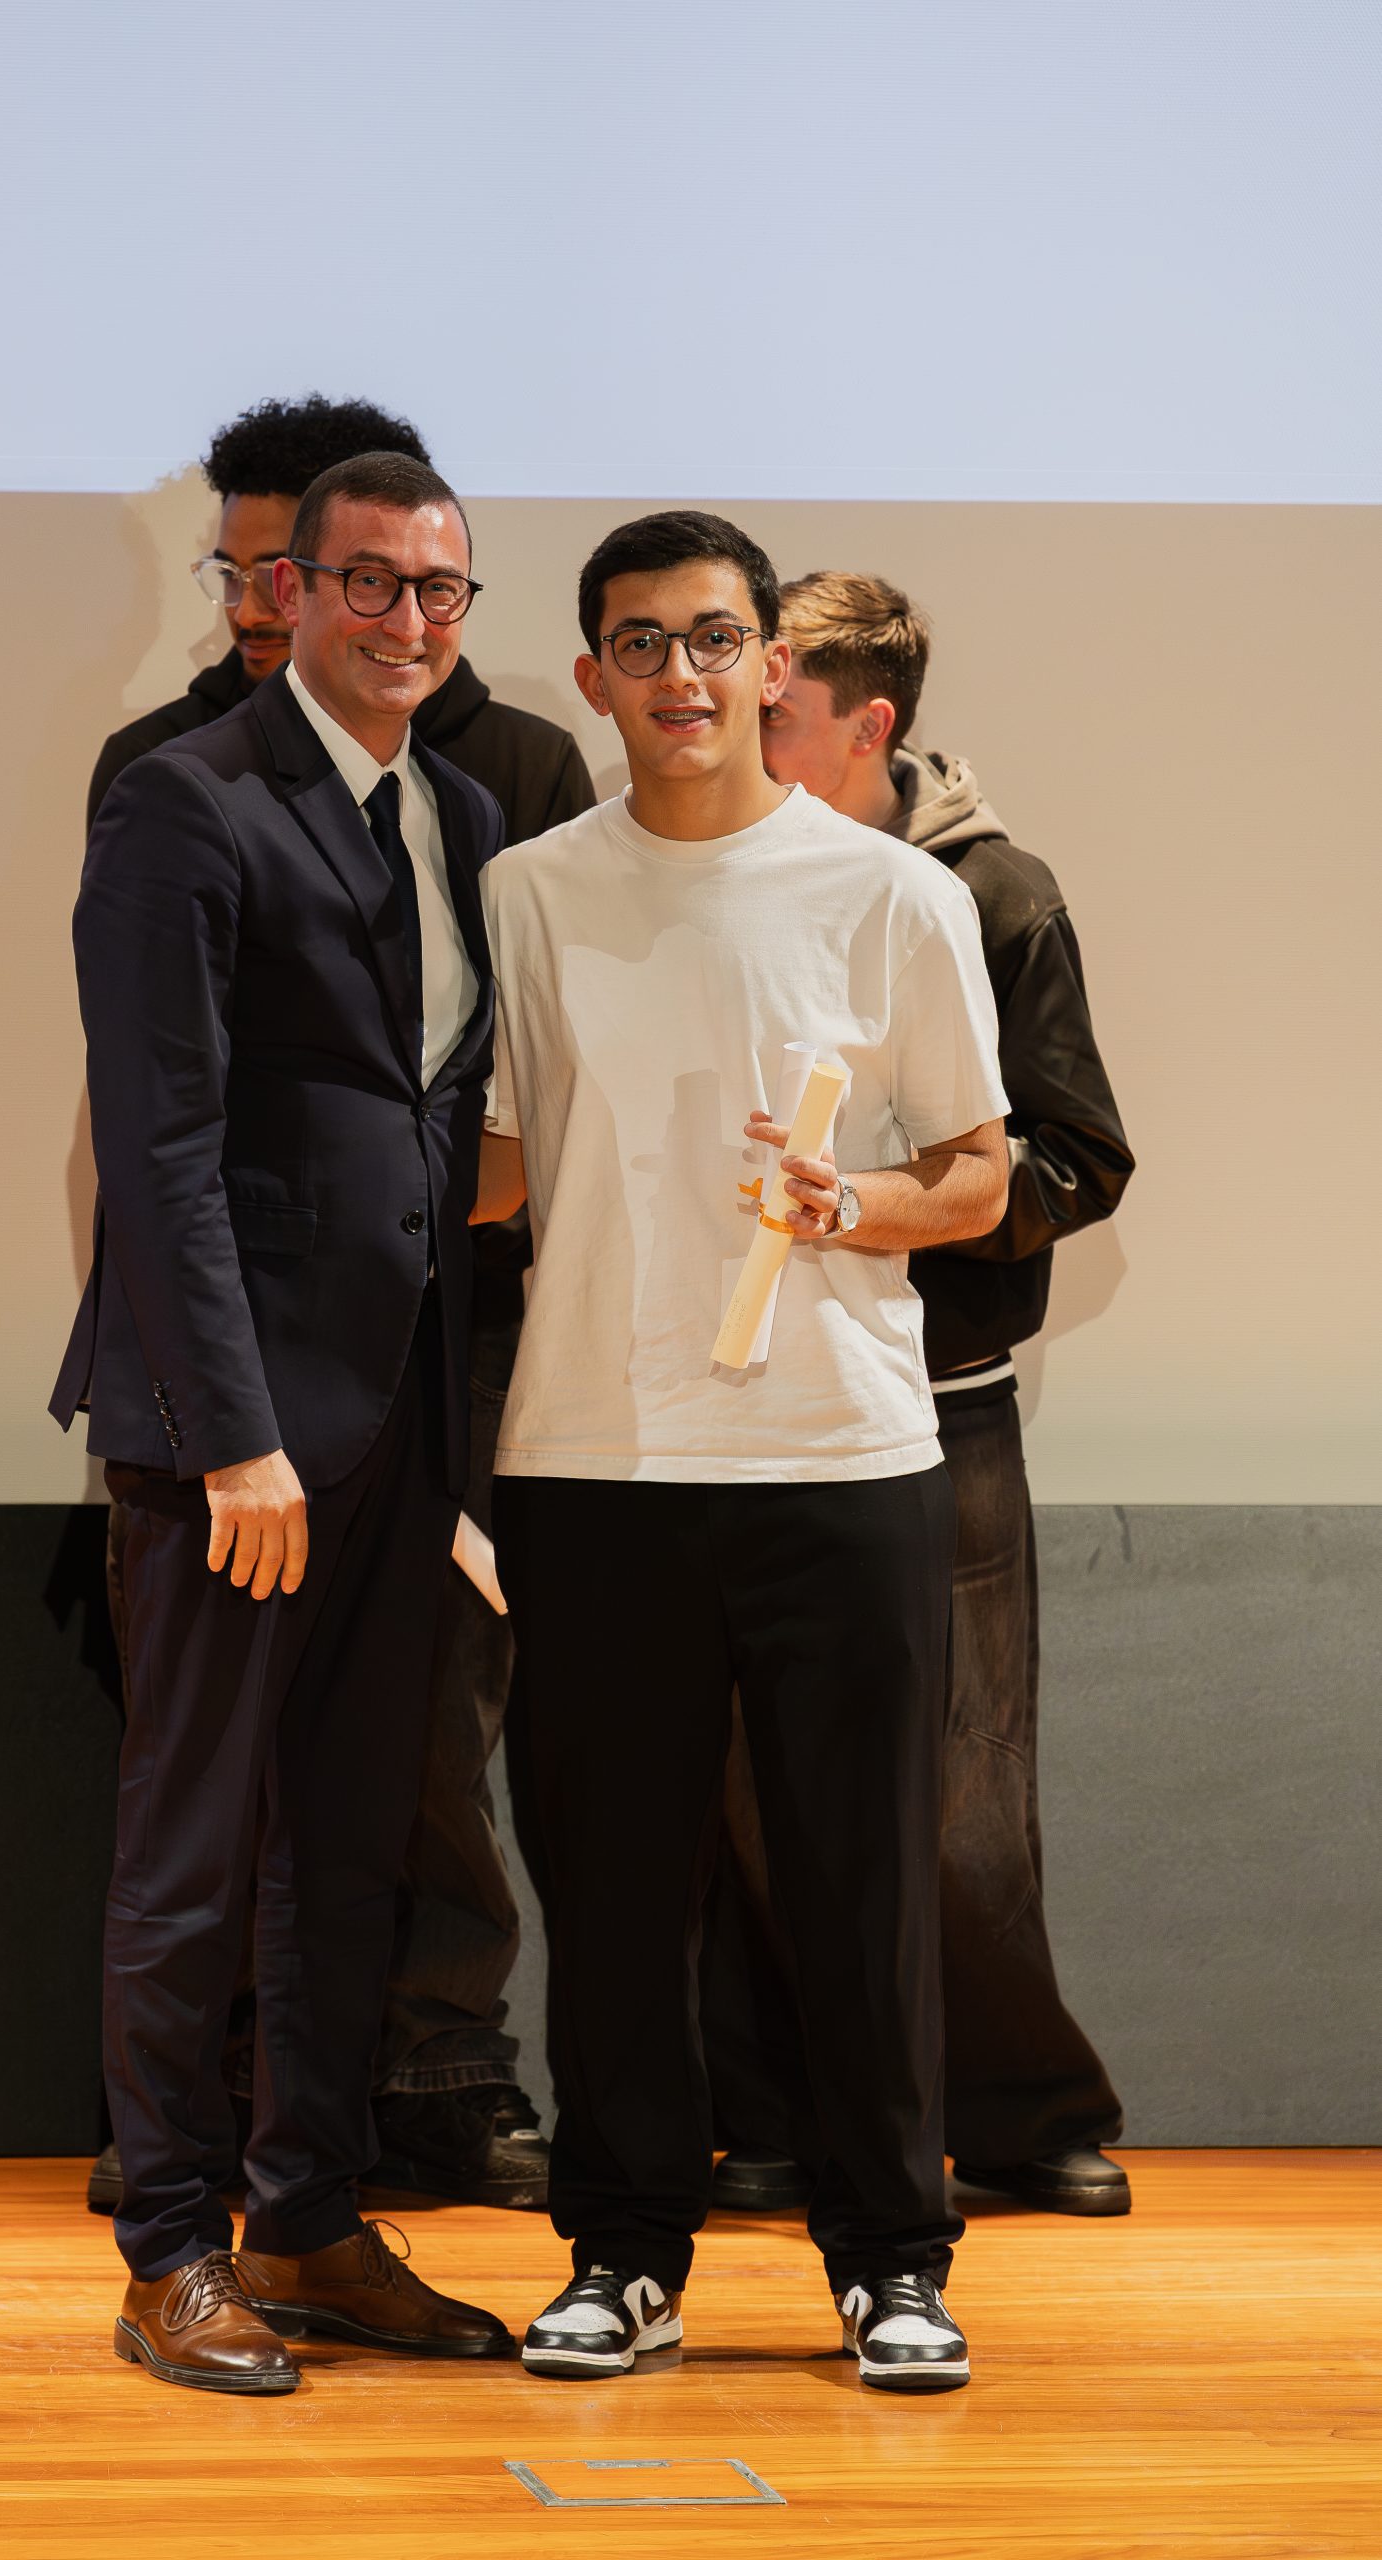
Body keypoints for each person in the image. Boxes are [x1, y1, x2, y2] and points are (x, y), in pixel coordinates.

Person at [479, 511, 1010, 2394]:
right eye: (642, 644)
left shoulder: (892, 896)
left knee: (861, 1891)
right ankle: (623, 2256)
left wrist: (848, 1200)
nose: (682, 676)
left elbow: (977, 1173)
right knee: (615, 1894)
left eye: (715, 639)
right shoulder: (529, 890)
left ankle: (893, 2259)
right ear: (593, 675)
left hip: (841, 1461)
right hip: (593, 1460)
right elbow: (503, 1164)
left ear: (775, 665)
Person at [83, 393, 593, 2221]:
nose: (407, 620)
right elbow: (159, 1151)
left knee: (351, 1850)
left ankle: (307, 2220)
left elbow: (445, 1124)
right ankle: (173, 2240)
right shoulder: (184, 795)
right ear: (288, 590)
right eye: (369, 582)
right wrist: (233, 1436)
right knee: (196, 1853)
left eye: (440, 591)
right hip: (244, 1438)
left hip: (407, 1427)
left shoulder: (461, 809)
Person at [703, 571, 1134, 2218]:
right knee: (748, 1786)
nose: (737, 727)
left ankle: (1020, 2113)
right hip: (749, 1396)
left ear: (869, 725)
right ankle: (773, 2118)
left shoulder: (995, 893)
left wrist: (897, 1209)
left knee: (962, 1786)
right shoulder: (712, 869)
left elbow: (1080, 1153)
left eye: (777, 710)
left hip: (941, 1400)